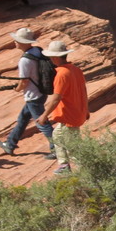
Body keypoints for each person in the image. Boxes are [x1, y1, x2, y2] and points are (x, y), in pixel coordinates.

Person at [0, 27, 55, 158]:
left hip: (33, 95)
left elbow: (24, 82)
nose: (15, 42)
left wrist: (16, 89)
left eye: (17, 40)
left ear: (23, 42)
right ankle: (10, 144)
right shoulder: (38, 51)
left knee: (42, 123)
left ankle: (56, 149)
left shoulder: (25, 60)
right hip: (41, 91)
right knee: (22, 119)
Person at [35, 41, 88, 174]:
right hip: (77, 112)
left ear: (56, 57)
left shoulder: (62, 74)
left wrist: (44, 115)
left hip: (70, 115)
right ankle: (70, 166)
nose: (50, 59)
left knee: (67, 142)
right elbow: (83, 91)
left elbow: (56, 98)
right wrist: (86, 109)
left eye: (51, 57)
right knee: (64, 138)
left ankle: (74, 168)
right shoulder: (76, 70)